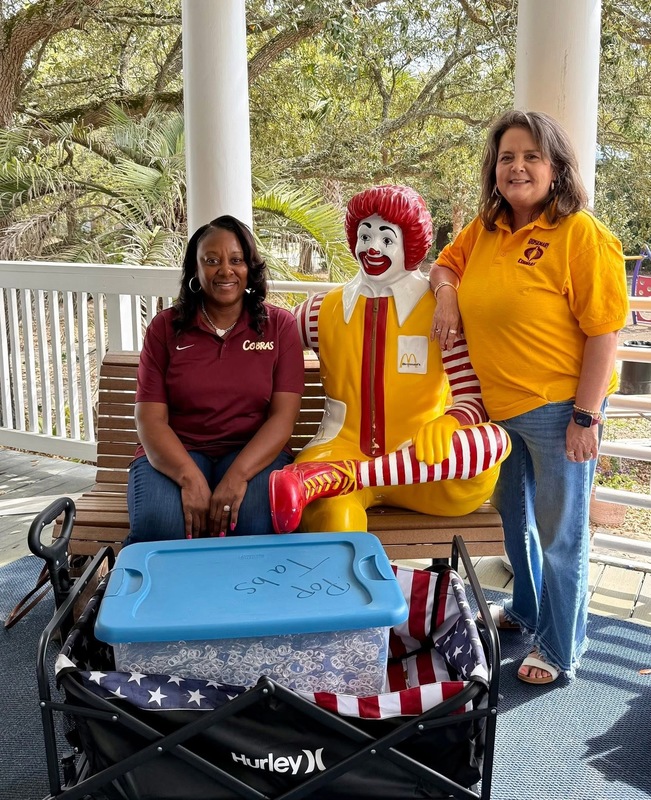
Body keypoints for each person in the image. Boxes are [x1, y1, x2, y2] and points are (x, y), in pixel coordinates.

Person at [429, 110, 629, 685]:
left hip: (560, 408)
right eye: (507, 157)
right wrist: (447, 295)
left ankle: (561, 649)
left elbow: (604, 333)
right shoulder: (485, 229)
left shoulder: (580, 234)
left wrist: (586, 417)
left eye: (531, 157)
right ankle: (526, 610)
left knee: (562, 535)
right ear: (494, 169)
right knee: (514, 520)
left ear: (556, 168)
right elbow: (445, 265)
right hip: (499, 412)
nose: (517, 167)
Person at [269, 185, 510, 534]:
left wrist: (450, 422)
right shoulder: (320, 311)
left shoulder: (443, 312)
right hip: (338, 451)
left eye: (386, 238)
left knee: (493, 444)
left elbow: (471, 397)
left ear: (410, 243)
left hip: (423, 465)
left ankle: (350, 477)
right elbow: (268, 345)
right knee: (335, 517)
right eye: (364, 236)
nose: (372, 247)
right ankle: (340, 485)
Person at [125, 215, 304, 544]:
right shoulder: (165, 328)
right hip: (180, 450)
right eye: (211, 261)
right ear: (195, 269)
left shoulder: (279, 326)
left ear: (249, 267)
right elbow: (149, 420)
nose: (225, 271)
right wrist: (189, 478)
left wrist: (237, 476)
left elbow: (283, 418)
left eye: (236, 260)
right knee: (161, 525)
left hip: (252, 453)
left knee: (253, 524)